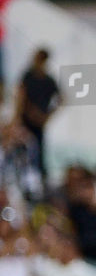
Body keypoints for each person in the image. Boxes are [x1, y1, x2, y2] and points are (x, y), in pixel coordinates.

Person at [11, 49, 60, 184]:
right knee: (21, 150)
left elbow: (61, 99)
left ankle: (37, 180)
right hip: (26, 121)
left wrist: (46, 116)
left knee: (37, 153)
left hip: (36, 123)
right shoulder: (29, 76)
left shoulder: (47, 79)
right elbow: (21, 96)